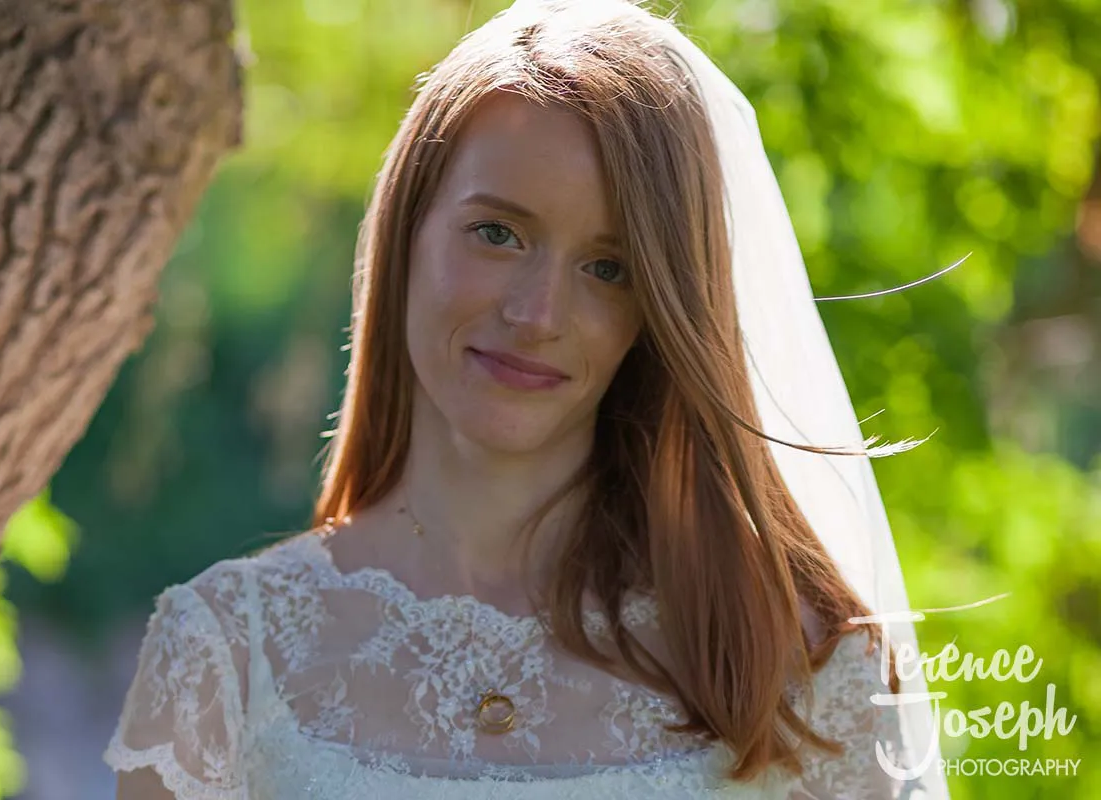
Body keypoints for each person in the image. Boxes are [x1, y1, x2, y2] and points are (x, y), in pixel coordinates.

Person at [105, 1, 950, 797]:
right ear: (409, 231)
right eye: (498, 233)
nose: (536, 314)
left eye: (607, 268)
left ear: (659, 309)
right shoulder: (223, 655)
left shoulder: (798, 667)